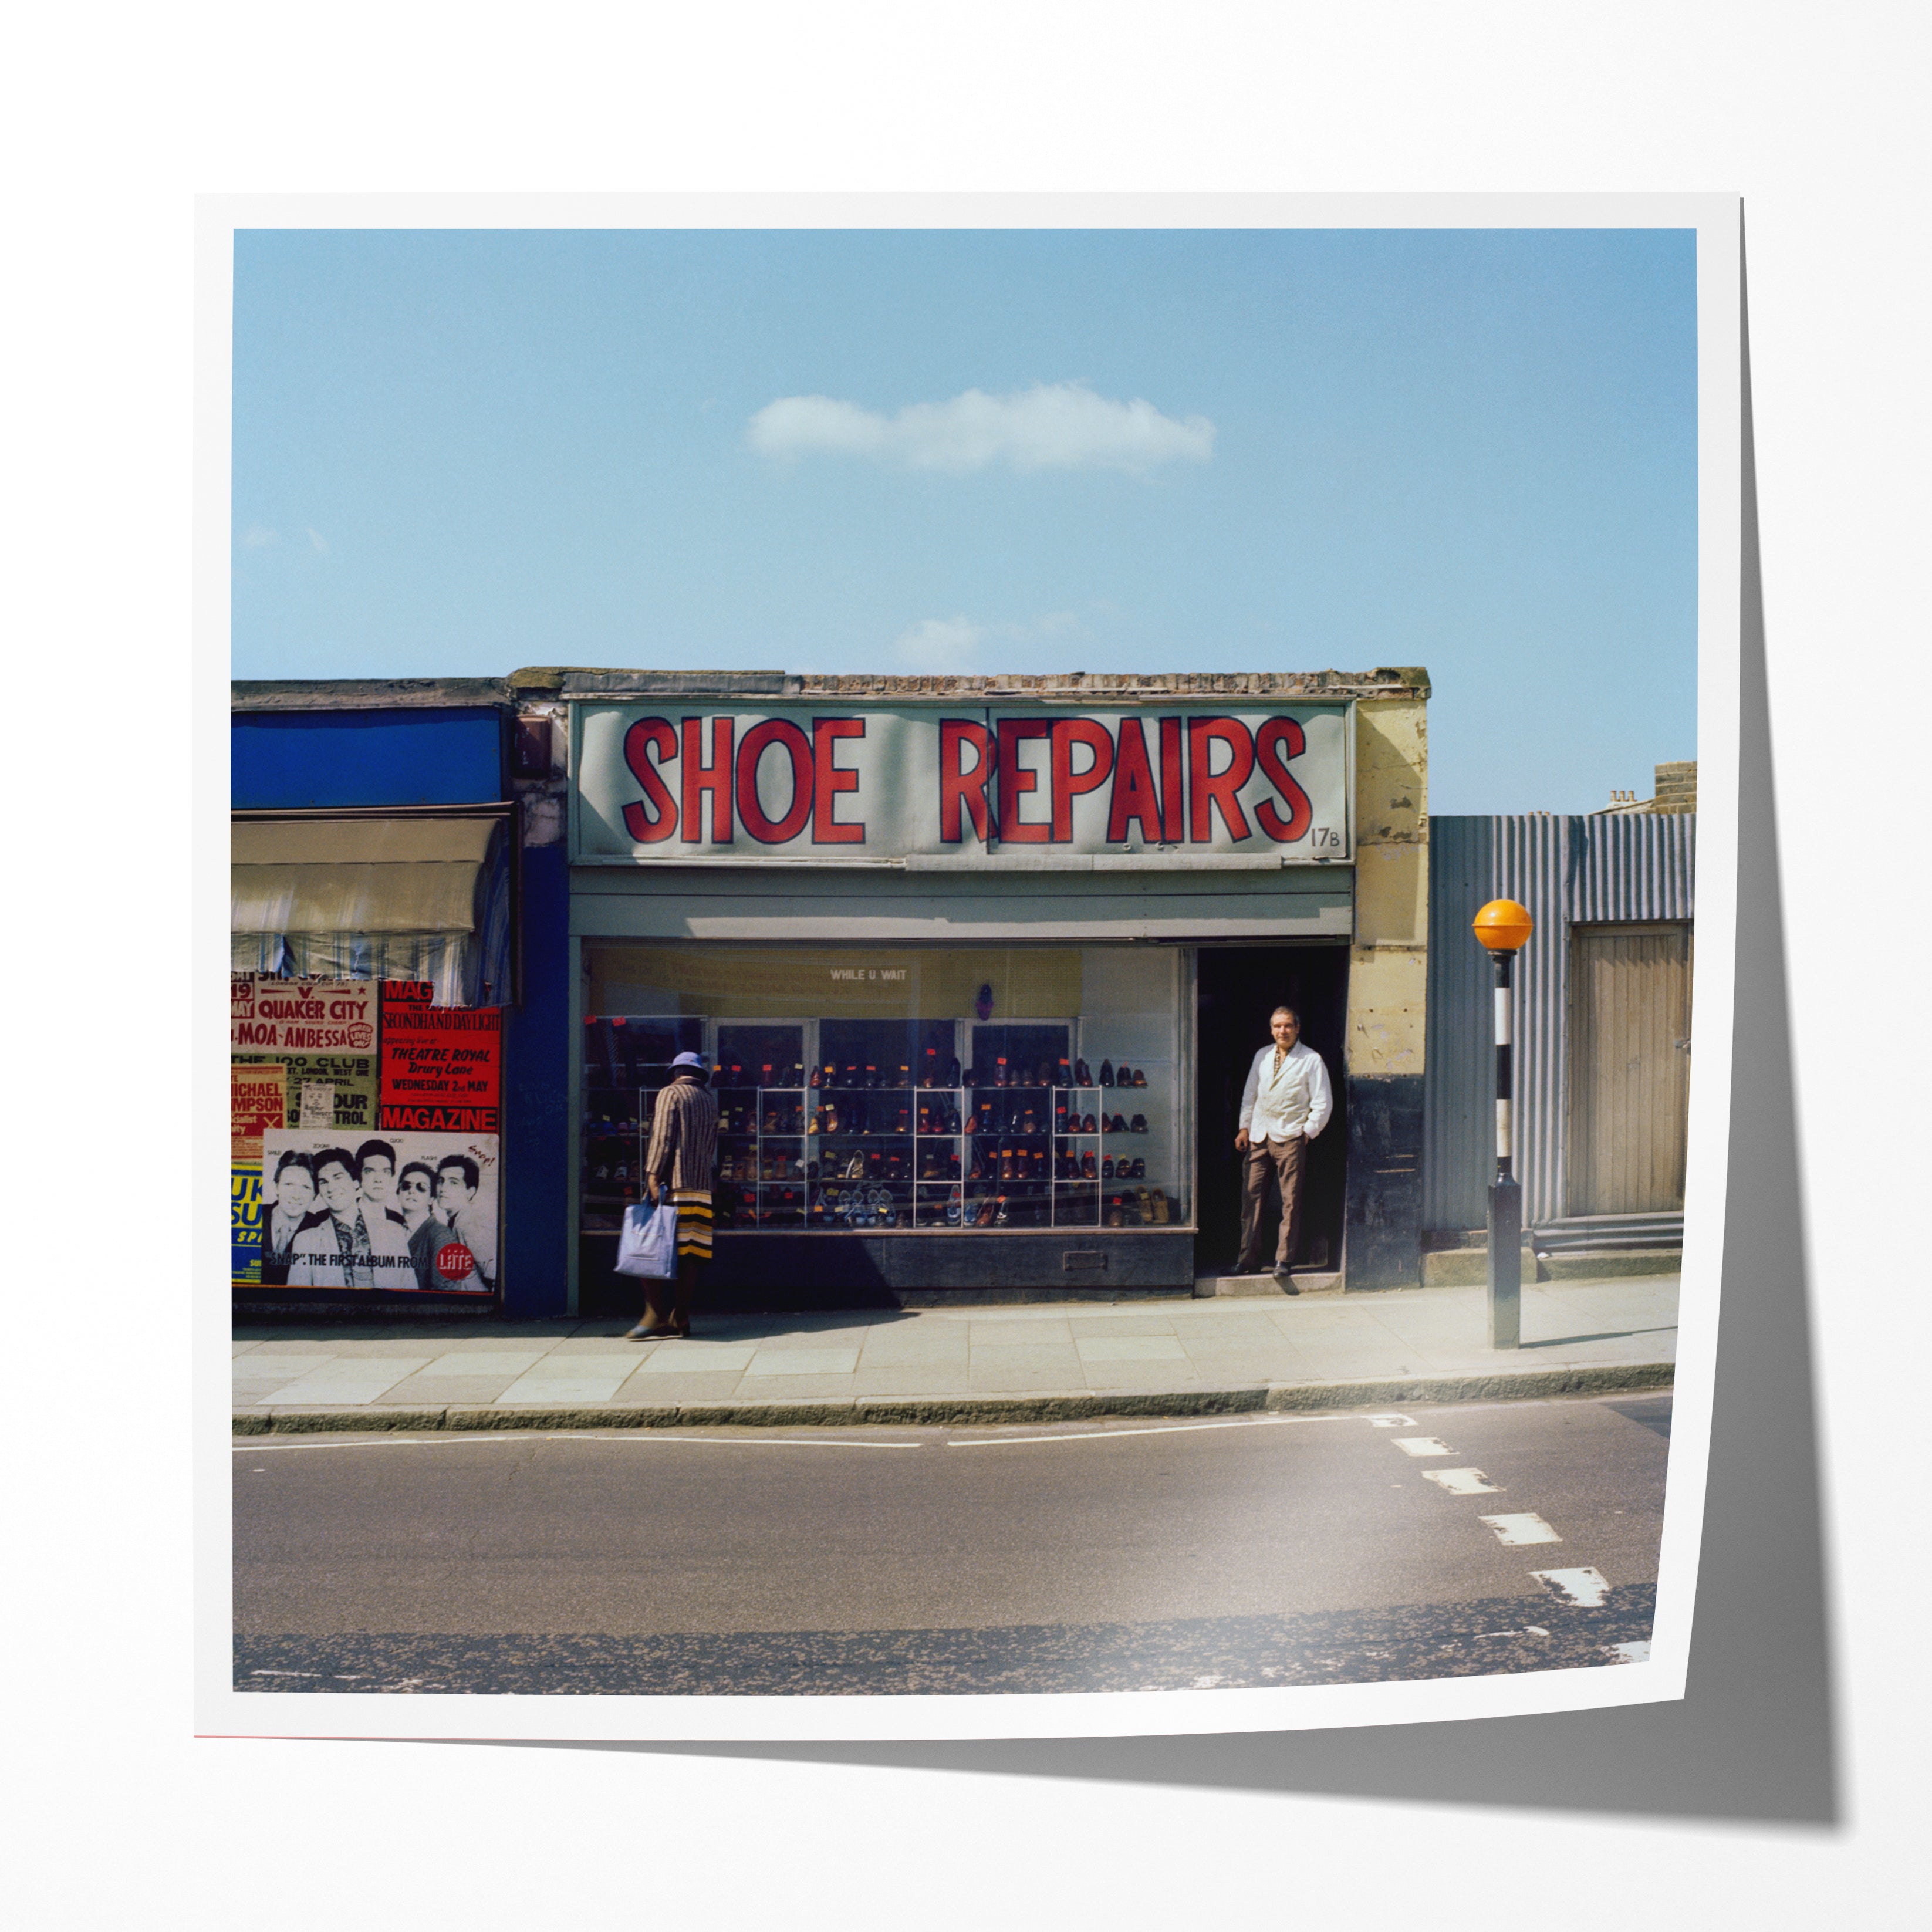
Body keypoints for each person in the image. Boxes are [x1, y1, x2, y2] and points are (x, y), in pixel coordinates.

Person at [1234, 1004, 1333, 1288]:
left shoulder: (1311, 1059)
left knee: (1290, 1201)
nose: (1283, 1031)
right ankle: (1248, 1259)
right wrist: (1244, 1127)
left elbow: (1322, 1102)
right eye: (1277, 1026)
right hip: (1259, 1137)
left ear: (1297, 1028)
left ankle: (1283, 1260)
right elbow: (1250, 1094)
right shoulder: (1262, 1057)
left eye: (1288, 1025)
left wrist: (1307, 1133)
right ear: (1271, 1029)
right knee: (1251, 1198)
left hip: (1291, 1137)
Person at [627, 1049, 719, 1339]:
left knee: (649, 1246)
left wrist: (652, 1176)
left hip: (673, 1187)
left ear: (676, 1073)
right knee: (689, 1256)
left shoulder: (671, 1094)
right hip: (701, 1189)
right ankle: (681, 1316)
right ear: (700, 1075)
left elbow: (663, 1138)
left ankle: (654, 1314)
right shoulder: (709, 1101)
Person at [286, 1146, 416, 1288]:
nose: (331, 1188)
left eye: (338, 1178)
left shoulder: (394, 1232)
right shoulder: (305, 1241)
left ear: (356, 1182)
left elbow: (410, 1293)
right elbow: (298, 1300)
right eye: (324, 1182)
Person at [424, 1153, 497, 1293]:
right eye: (441, 1181)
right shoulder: (456, 1220)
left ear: (470, 1192)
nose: (443, 1188)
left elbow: (495, 1274)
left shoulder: (471, 1224)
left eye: (453, 1182)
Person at [259, 1149, 317, 1285]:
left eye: (306, 1188)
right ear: (276, 1187)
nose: (296, 1195)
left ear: (315, 1195)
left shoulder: (319, 1227)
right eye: (289, 1185)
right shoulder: (254, 1215)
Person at [392, 1158, 439, 1291]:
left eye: (421, 1187)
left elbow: (443, 1292)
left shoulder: (439, 1236)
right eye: (406, 1186)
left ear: (431, 1199)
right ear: (398, 1193)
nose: (412, 1191)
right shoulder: (393, 1230)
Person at [354, 1139, 407, 1226]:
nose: (378, 1180)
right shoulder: (335, 1215)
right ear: (359, 1176)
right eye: (369, 1171)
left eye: (385, 1172)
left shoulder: (399, 1221)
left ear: (392, 1176)